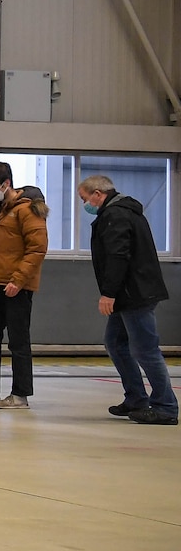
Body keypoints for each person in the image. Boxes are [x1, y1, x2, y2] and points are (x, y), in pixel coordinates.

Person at [78, 174, 175, 426]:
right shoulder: (122, 211)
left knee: (145, 349)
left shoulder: (115, 215)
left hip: (134, 293)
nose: (84, 204)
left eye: (84, 198)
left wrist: (108, 293)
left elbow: (118, 255)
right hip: (130, 293)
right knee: (115, 343)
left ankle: (165, 406)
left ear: (98, 194)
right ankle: (136, 398)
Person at [0, 161, 48, 408]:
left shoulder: (27, 211)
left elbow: (37, 249)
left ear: (7, 184)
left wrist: (18, 280)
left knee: (18, 341)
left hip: (16, 286)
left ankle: (20, 394)